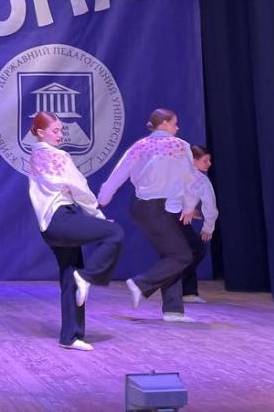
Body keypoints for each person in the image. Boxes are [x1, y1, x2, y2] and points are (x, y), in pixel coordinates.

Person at [28, 112, 124, 350]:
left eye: (61, 130)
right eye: (55, 131)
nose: (60, 135)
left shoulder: (35, 155)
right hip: (62, 218)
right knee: (114, 233)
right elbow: (79, 188)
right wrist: (98, 215)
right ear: (40, 132)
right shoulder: (58, 155)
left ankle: (70, 336)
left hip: (49, 225)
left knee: (69, 271)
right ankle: (88, 276)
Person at [97, 108, 198, 322]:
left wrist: (102, 200)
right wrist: (190, 205)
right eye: (174, 123)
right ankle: (140, 284)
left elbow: (118, 175)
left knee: (171, 254)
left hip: (142, 207)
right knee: (181, 255)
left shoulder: (139, 147)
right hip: (162, 207)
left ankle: (173, 310)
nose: (177, 128)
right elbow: (190, 178)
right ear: (164, 123)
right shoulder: (181, 146)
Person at [181, 145, 219, 303]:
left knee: (187, 252)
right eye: (205, 160)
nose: (209, 164)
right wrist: (208, 227)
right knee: (196, 250)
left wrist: (188, 209)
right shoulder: (201, 180)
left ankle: (187, 291)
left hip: (164, 217)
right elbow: (210, 205)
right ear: (193, 160)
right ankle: (182, 288)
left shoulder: (176, 173)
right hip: (177, 219)